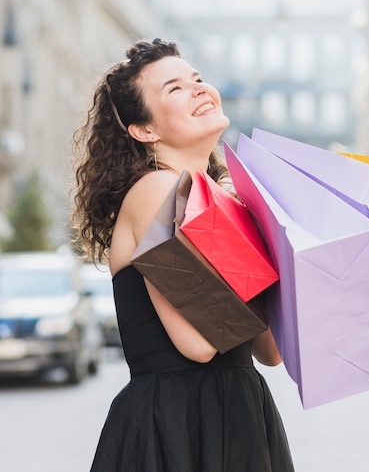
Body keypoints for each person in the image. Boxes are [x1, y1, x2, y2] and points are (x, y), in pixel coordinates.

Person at [71, 38, 295, 472]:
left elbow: (269, 351)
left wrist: (267, 239)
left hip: (239, 415)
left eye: (196, 78)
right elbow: (197, 346)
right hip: (176, 423)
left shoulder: (218, 203)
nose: (199, 89)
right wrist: (244, 244)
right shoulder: (155, 191)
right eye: (174, 88)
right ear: (145, 130)